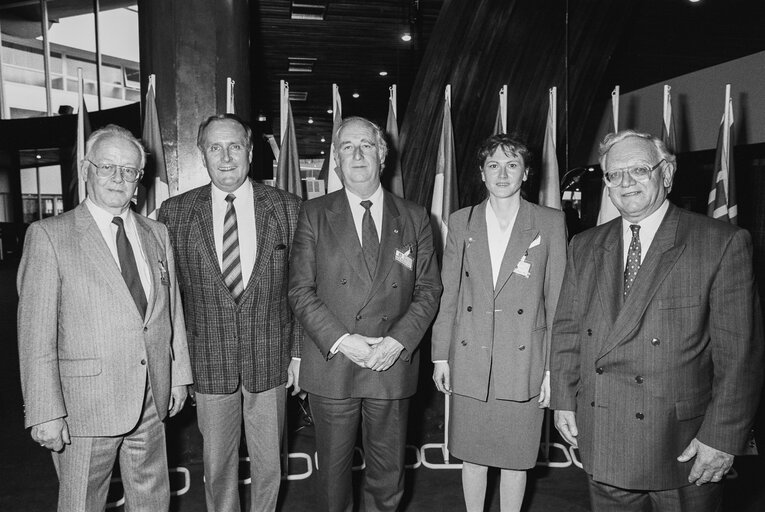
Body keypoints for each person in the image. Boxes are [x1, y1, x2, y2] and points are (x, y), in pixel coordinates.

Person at [550, 129, 764, 511]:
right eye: (614, 174)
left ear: (666, 173)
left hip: (682, 447)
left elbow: (740, 355)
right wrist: (565, 400)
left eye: (639, 170)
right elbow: (568, 329)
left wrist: (722, 438)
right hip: (604, 433)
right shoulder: (584, 245)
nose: (625, 182)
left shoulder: (720, 243)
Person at [17, 124, 192, 511]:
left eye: (129, 170)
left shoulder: (157, 233)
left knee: (153, 501)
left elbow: (170, 310)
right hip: (84, 408)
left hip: (152, 397)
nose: (119, 178)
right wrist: (46, 411)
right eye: (108, 167)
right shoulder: (49, 236)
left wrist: (178, 376)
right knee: (82, 503)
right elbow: (35, 335)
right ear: (86, 169)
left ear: (138, 179)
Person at [288, 116, 442, 512]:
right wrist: (343, 341)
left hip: (390, 362)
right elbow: (299, 290)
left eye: (366, 146)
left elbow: (429, 289)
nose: (357, 154)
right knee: (333, 477)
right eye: (347, 147)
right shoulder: (314, 214)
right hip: (335, 362)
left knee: (388, 475)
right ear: (336, 161)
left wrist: (398, 341)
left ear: (382, 156)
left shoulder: (415, 216)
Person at [158, 114, 302, 512]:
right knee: (217, 465)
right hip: (208, 363)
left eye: (235, 146)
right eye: (215, 147)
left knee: (270, 464)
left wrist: (299, 353)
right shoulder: (173, 214)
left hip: (272, 360)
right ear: (201, 154)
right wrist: (178, 367)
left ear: (251, 152)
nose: (225, 156)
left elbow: (304, 289)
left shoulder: (289, 209)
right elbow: (168, 303)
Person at [431, 134, 566, 512]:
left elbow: (557, 301)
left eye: (512, 165)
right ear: (481, 173)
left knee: (515, 460)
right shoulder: (462, 221)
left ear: (526, 173)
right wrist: (440, 356)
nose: (502, 173)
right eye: (493, 165)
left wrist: (553, 369)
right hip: (470, 355)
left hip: (525, 361)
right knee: (471, 458)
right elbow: (449, 294)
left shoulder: (550, 222)